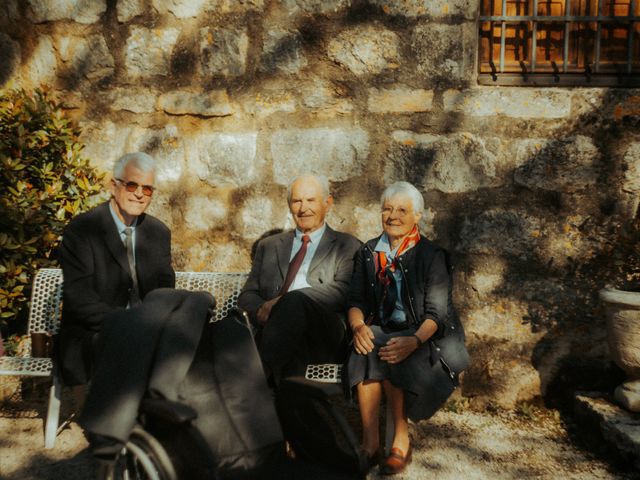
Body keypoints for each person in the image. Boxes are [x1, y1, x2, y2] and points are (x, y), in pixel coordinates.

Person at [58, 153, 214, 465]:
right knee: (130, 341)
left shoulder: (157, 232)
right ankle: (121, 436)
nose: (139, 194)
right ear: (114, 186)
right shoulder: (83, 229)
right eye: (132, 185)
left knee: (196, 319)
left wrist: (152, 321)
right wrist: (127, 322)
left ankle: (175, 422)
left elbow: (164, 291)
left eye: (147, 189)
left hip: (147, 326)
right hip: (96, 329)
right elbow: (79, 299)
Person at [345, 181, 469, 475]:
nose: (393, 216)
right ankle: (371, 445)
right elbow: (355, 299)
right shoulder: (369, 252)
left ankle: (400, 442)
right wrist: (357, 325)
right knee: (367, 343)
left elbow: (436, 315)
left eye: (402, 210)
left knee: (391, 346)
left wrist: (413, 340)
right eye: (387, 209)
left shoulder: (431, 255)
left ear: (417, 217)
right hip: (384, 329)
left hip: (424, 336)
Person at [238, 174, 361, 384]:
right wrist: (261, 310)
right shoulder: (269, 246)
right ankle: (280, 402)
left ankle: (252, 383)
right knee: (288, 354)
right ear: (289, 205)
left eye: (311, 200)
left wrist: (281, 302)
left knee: (293, 302)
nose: (304, 208)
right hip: (276, 332)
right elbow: (248, 294)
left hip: (323, 333)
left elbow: (343, 290)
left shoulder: (347, 245)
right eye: (297, 201)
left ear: (327, 203)